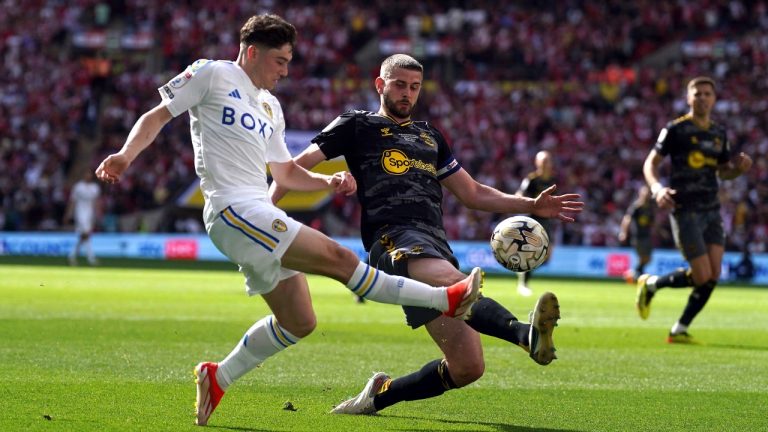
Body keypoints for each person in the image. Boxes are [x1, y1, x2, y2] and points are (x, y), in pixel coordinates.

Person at [94, 16, 481, 426]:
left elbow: (286, 174)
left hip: (257, 212)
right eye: (279, 61)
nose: (285, 70)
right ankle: (446, 299)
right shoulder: (211, 73)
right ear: (252, 52)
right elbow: (157, 115)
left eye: (288, 62)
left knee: (300, 321)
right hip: (232, 207)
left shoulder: (269, 106)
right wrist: (124, 155)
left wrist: (325, 179)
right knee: (339, 258)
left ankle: (218, 376)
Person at [271, 54, 583, 415]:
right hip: (392, 239)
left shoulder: (430, 135)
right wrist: (266, 214)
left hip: (435, 242)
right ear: (380, 85)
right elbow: (293, 168)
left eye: (414, 87)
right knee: (455, 284)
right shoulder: (356, 125)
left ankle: (378, 396)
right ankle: (525, 334)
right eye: (400, 85)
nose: (407, 93)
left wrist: (530, 206)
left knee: (468, 367)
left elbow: (473, 193)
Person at [636, 76, 752, 343]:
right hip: (685, 209)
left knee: (713, 275)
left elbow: (724, 172)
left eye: (707, 93)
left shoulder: (719, 134)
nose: (702, 98)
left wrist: (737, 169)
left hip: (712, 209)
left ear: (714, 98)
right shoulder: (676, 130)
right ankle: (651, 284)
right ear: (688, 99)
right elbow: (650, 164)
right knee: (701, 275)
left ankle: (678, 328)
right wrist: (657, 189)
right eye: (697, 93)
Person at [515, 150, 557, 296]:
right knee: (532, 253)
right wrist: (530, 204)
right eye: (543, 161)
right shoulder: (532, 180)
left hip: (548, 221)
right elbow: (519, 194)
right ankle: (523, 283)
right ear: (537, 163)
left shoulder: (552, 181)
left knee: (546, 257)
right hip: (533, 221)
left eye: (548, 161)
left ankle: (523, 273)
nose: (546, 164)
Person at [618, 185, 655, 283]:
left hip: (647, 236)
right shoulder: (636, 206)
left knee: (648, 258)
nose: (647, 195)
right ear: (641, 194)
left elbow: (652, 222)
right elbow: (627, 219)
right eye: (645, 193)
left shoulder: (650, 208)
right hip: (638, 236)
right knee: (643, 257)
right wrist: (623, 232)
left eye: (648, 193)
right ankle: (637, 275)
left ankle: (634, 273)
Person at [64, 170, 101, 266]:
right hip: (80, 213)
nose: (88, 176)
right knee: (86, 234)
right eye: (86, 174)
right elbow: (72, 201)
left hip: (90, 214)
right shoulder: (78, 187)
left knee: (83, 236)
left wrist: (97, 213)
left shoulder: (95, 188)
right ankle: (91, 258)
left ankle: (72, 256)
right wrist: (68, 214)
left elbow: (96, 202)